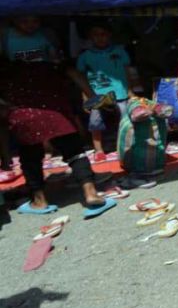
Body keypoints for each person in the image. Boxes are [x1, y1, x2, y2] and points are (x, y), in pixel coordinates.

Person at [0, 59, 116, 217]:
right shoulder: (50, 59)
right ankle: (91, 194)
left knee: (30, 158)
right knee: (75, 153)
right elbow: (75, 74)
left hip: (23, 116)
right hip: (56, 111)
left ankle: (39, 201)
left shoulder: (8, 66)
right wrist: (93, 97)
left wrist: (6, 157)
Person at [76, 22, 131, 161]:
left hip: (120, 92)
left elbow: (127, 70)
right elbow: (81, 78)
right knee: (95, 122)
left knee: (125, 120)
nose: (100, 38)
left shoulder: (119, 51)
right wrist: (85, 97)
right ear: (90, 37)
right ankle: (98, 149)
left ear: (110, 35)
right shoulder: (85, 56)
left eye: (103, 34)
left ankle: (125, 145)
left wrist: (131, 90)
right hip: (96, 95)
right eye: (96, 35)